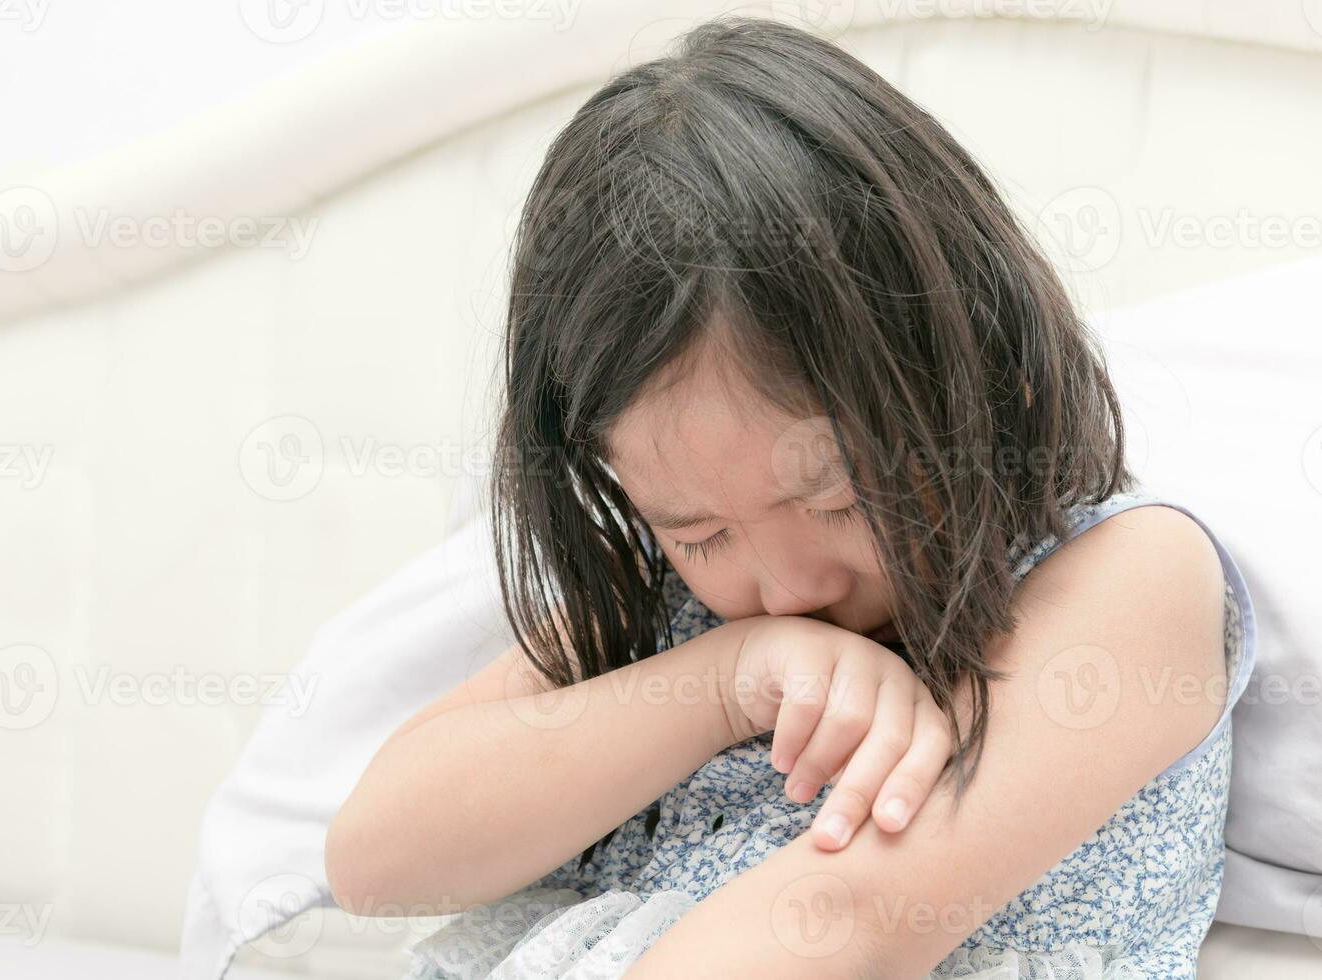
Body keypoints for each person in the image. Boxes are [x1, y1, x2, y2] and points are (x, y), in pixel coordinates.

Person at [326, 15, 1256, 978]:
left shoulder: (1120, 575)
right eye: (700, 531)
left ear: (963, 370)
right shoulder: (664, 609)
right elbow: (374, 862)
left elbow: (842, 922)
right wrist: (727, 679)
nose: (787, 585)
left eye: (838, 501)